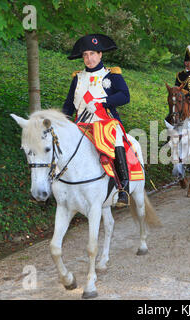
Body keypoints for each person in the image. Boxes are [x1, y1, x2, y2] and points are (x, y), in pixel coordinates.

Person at [62, 34, 131, 207]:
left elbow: (125, 96)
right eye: (85, 55)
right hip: (81, 123)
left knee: (115, 137)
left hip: (105, 121)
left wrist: (103, 102)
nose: (89, 58)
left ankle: (124, 186)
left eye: (92, 54)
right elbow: (69, 103)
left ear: (100, 54)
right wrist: (63, 120)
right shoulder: (77, 78)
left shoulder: (111, 75)